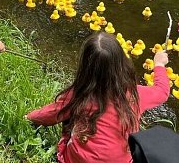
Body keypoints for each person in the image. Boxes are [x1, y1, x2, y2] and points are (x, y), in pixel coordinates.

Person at [26, 32, 170, 163]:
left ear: (85, 67)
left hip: (79, 160)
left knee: (68, 116)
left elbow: (51, 113)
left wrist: (29, 117)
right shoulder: (134, 95)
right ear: (121, 64)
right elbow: (162, 91)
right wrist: (158, 64)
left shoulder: (79, 94)